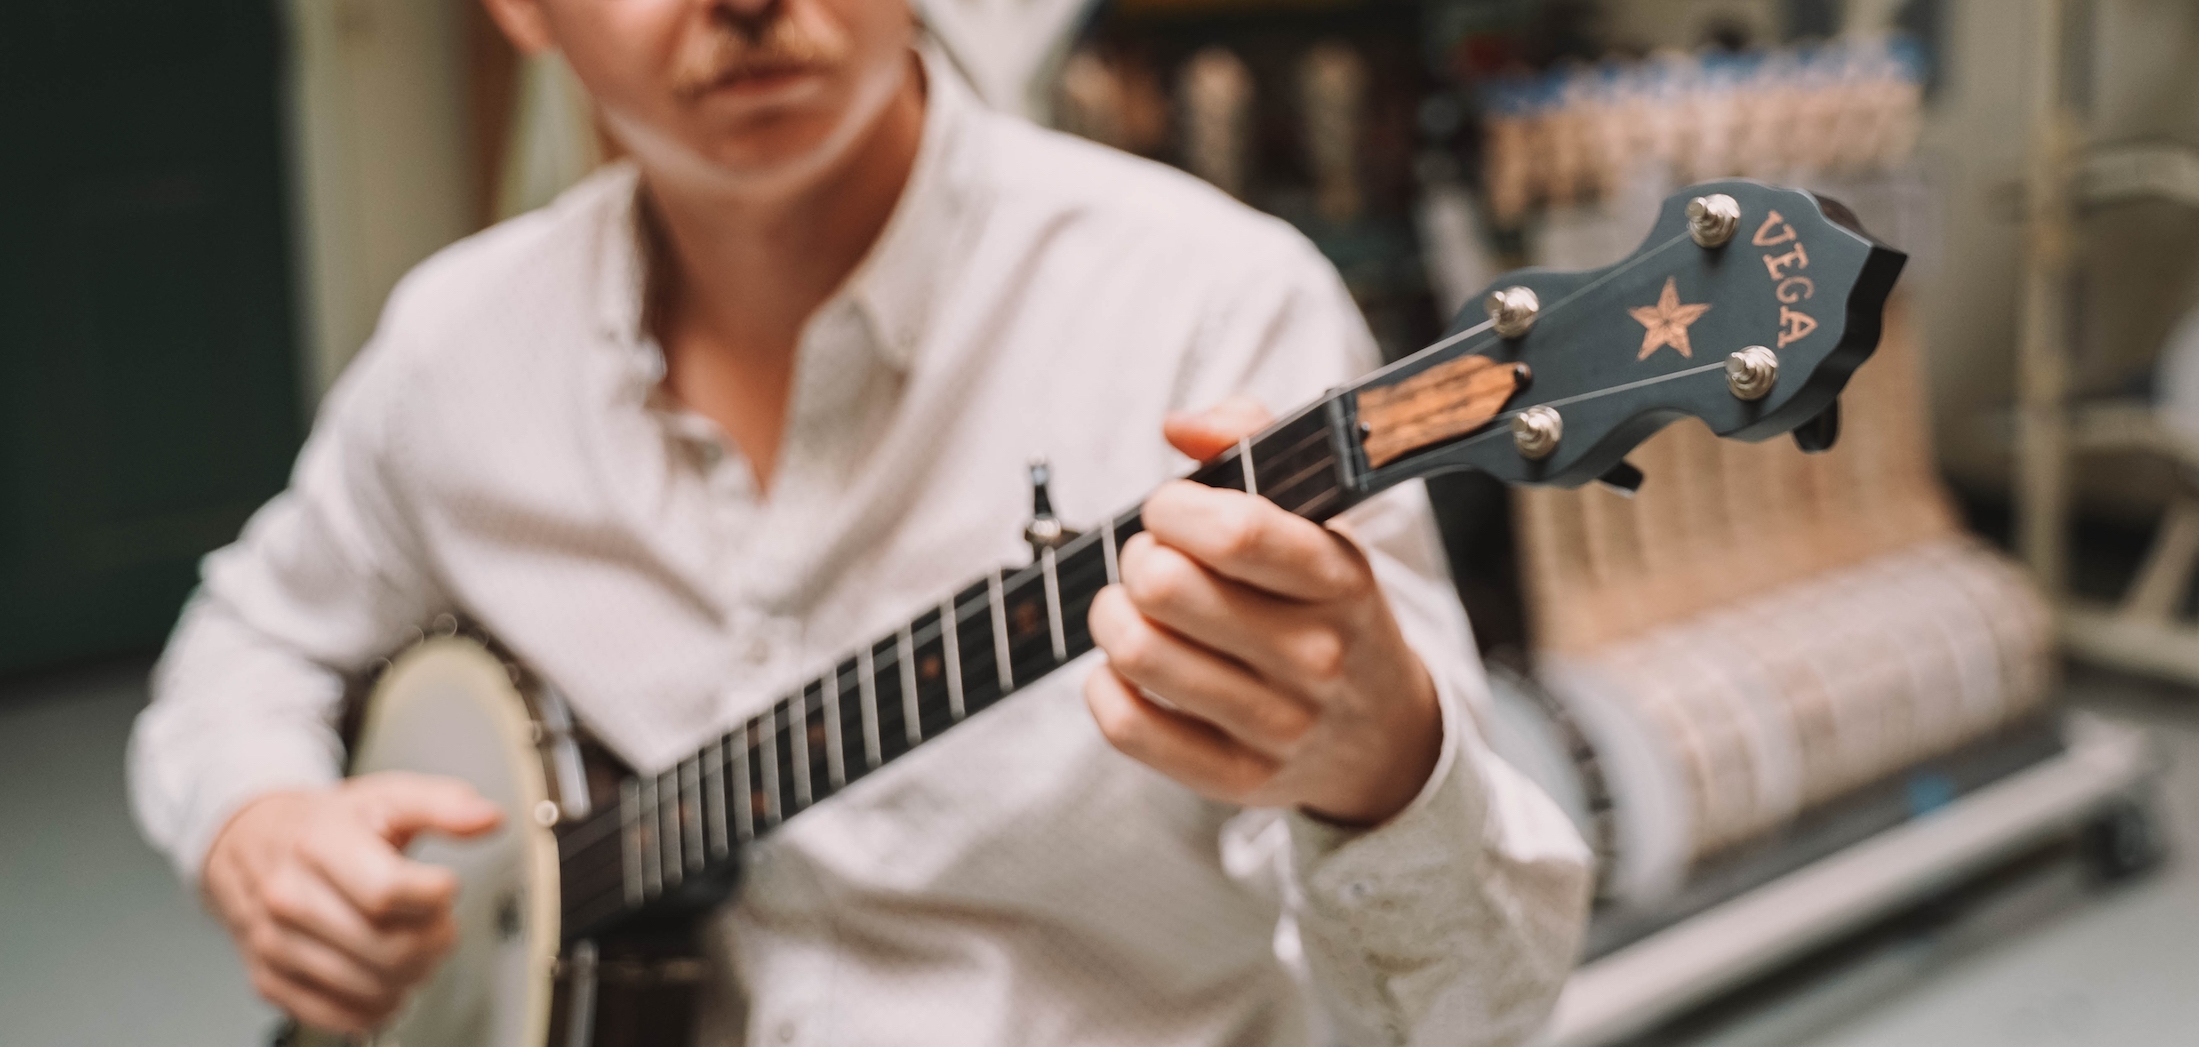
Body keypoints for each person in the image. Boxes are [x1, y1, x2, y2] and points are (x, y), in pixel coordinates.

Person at [129, 0, 1592, 1042]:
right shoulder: (457, 351)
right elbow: (249, 638)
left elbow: (1467, 1016)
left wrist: (1377, 766)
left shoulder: (1210, 310)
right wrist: (258, 816)